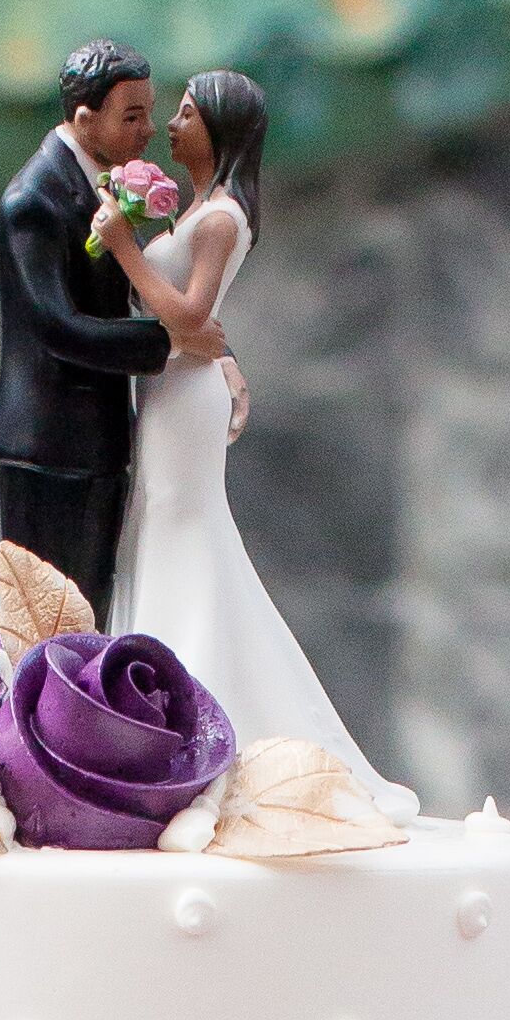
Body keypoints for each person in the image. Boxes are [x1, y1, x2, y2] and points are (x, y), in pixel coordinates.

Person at [100, 68, 402, 802]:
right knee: (158, 522)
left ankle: (192, 692)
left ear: (221, 129)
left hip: (183, 395)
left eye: (186, 114)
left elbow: (190, 318)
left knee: (184, 526)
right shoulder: (200, 207)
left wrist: (124, 246)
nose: (171, 126)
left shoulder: (221, 218)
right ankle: (150, 692)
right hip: (169, 387)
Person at [0, 39, 155, 620]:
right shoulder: (33, 202)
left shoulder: (102, 188)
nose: (147, 131)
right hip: (51, 443)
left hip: (99, 438)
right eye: (131, 116)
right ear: (85, 119)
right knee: (48, 616)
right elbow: (58, 328)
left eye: (148, 113)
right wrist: (165, 342)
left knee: (94, 605)